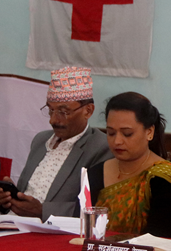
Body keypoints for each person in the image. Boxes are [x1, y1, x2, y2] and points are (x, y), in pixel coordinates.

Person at [0, 67, 112, 221]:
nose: (53, 120)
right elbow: (26, 194)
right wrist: (10, 200)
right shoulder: (41, 140)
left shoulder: (101, 147)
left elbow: (95, 205)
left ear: (88, 111)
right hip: (14, 223)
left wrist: (42, 211)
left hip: (54, 229)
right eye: (50, 110)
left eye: (63, 112)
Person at [89, 92, 171, 239]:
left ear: (149, 132)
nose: (117, 141)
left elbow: (159, 237)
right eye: (111, 133)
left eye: (127, 134)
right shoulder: (96, 172)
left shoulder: (164, 180)